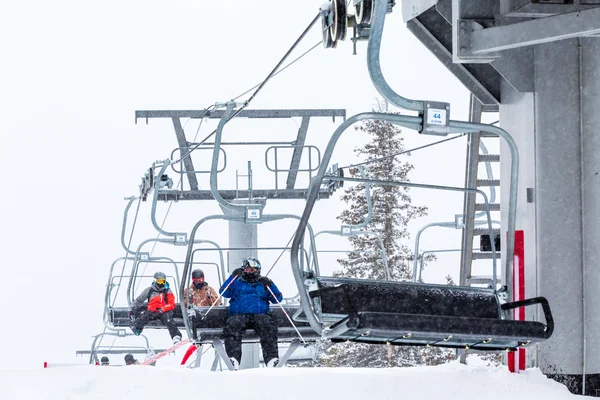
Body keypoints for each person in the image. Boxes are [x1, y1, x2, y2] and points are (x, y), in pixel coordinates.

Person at [219, 257, 283, 370]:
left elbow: (277, 299)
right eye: (248, 269)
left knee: (268, 326)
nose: (250, 272)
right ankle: (233, 358)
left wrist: (270, 284)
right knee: (233, 326)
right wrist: (232, 277)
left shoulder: (262, 284)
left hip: (259, 315)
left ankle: (271, 359)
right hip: (239, 314)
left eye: (253, 270)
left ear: (258, 270)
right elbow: (223, 292)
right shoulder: (237, 282)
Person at [130, 271, 183, 344]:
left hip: (164, 311)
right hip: (152, 311)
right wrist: (132, 308)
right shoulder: (149, 290)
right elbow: (139, 300)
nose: (161, 284)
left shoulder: (167, 291)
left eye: (163, 281)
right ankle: (136, 328)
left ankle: (176, 336)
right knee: (144, 316)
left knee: (168, 320)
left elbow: (171, 304)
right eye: (160, 281)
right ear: (155, 280)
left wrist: (163, 309)